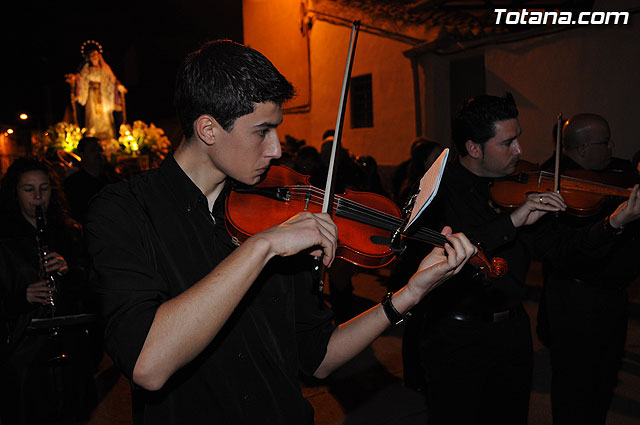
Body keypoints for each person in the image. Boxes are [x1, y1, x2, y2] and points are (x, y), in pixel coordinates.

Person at [84, 39, 478, 425]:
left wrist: (410, 294)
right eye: (261, 131)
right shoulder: (123, 211)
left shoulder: (277, 211)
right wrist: (263, 247)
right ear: (208, 129)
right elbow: (148, 365)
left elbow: (319, 357)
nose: (275, 150)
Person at [415, 94, 640, 425]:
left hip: (512, 335)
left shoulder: (520, 185)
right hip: (455, 337)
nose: (520, 150)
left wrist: (612, 224)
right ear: (475, 148)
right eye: (508, 143)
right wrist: (512, 222)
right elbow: (447, 256)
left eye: (517, 137)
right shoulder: (439, 192)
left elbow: (563, 252)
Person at [536, 113, 640, 425]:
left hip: (612, 299)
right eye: (604, 141)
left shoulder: (613, 171)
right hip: (576, 303)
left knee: (603, 382)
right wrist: (613, 224)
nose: (612, 146)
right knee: (576, 390)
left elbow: (629, 168)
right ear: (581, 149)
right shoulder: (553, 184)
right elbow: (566, 253)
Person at [0, 157, 96, 424]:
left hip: (69, 351)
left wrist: (70, 271)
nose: (38, 197)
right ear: (14, 192)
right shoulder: (4, 238)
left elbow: (94, 288)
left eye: (44, 188)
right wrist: (23, 297)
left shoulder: (70, 231)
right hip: (24, 357)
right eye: (28, 189)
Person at [65, 40, 127, 140]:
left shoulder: (105, 69)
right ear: (88, 58)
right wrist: (73, 79)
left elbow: (113, 80)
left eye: (95, 55)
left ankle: (108, 137)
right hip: (91, 95)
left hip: (104, 96)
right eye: (91, 56)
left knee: (105, 117)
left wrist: (119, 86)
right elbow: (80, 78)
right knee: (92, 116)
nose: (94, 58)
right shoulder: (86, 69)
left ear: (99, 56)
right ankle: (92, 137)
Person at [63, 136, 121, 223]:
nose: (98, 153)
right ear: (81, 154)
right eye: (93, 150)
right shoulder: (72, 184)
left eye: (100, 150)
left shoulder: (113, 181)